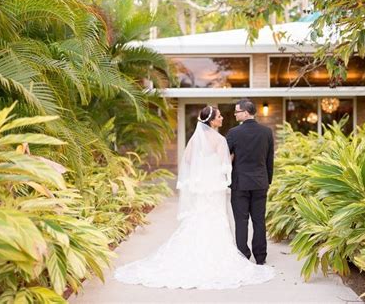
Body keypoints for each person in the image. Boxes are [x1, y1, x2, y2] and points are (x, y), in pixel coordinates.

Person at [114, 106, 275, 289]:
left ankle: (233, 254)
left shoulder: (198, 139)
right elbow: (226, 166)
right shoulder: (224, 138)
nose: (223, 117)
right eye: (220, 116)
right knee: (243, 220)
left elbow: (189, 161)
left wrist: (207, 168)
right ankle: (258, 258)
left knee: (223, 219)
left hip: (203, 188)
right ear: (213, 120)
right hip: (221, 187)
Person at [226, 99, 274, 265]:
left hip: (240, 183)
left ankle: (243, 256)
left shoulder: (233, 133)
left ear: (246, 112)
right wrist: (268, 180)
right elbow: (270, 160)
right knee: (259, 220)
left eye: (237, 111)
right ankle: (260, 257)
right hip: (260, 182)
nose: (235, 114)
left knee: (241, 221)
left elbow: (225, 158)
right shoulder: (266, 132)